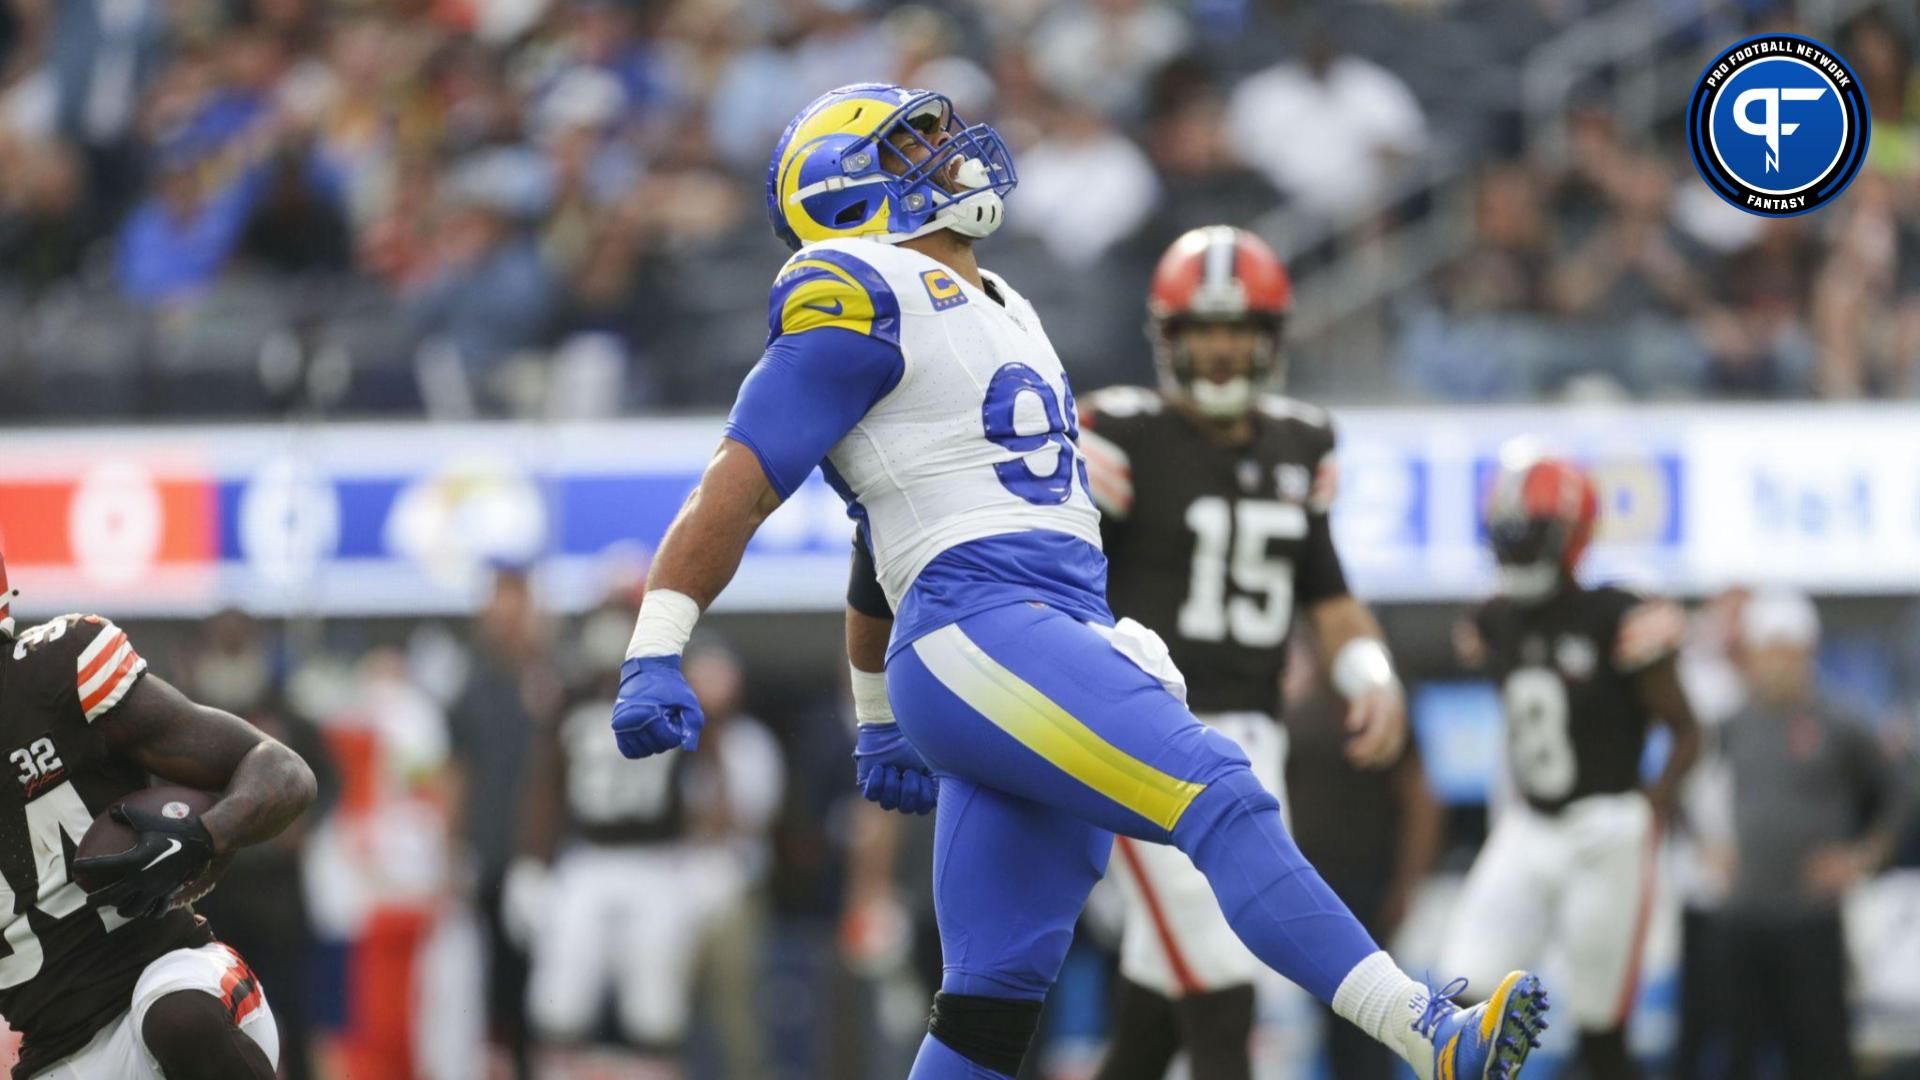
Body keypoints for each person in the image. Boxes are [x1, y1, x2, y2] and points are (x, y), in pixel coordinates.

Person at [608, 81, 1548, 1080]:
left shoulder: (1000, 302)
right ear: (846, 195)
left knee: (989, 1004)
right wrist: (656, 644)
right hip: (984, 625)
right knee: (1221, 789)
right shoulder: (850, 282)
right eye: (910, 142)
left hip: (1020, 636)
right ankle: (1426, 1031)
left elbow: (878, 531)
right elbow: (741, 479)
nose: (946, 146)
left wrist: (877, 709)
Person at [1054, 224, 1407, 1080]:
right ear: (1170, 339)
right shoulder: (1121, 433)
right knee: (1222, 979)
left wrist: (1370, 671)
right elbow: (1059, 576)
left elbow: (1325, 590)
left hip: (1258, 740)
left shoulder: (1299, 442)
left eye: (1237, 330)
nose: (1219, 351)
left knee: (1155, 1006)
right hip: (1149, 732)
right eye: (1204, 331)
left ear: (1270, 339)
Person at [0, 548, 318, 1078]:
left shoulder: (56, 673)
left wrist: (202, 836)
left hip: (174, 979)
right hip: (57, 1050)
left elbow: (282, 771)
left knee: (179, 1020)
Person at [1443, 454, 1701, 1080]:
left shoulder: (1617, 616)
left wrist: (1650, 806)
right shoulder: (1493, 620)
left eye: (1528, 533)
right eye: (1507, 534)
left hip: (1605, 828)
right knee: (1459, 998)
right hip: (1529, 826)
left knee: (1600, 1026)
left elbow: (1687, 731)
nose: (1516, 549)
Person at [1719, 590, 1908, 1080]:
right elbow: (1702, 794)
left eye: (1788, 650)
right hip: (1745, 916)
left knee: (1822, 1054)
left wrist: (1864, 856)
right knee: (1740, 1053)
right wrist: (1708, 849)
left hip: (1813, 919)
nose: (1777, 663)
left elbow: (1899, 792)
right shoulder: (1733, 722)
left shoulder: (1841, 721)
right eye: (1768, 650)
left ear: (1808, 652)